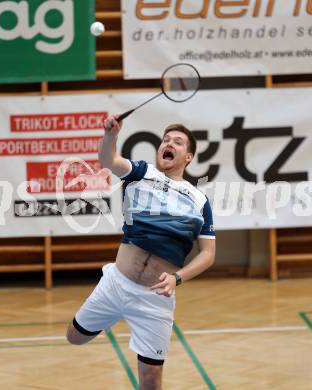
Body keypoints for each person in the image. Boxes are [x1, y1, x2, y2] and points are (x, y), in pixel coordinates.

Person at [66, 114, 216, 390]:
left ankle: (137, 325)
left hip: (155, 298)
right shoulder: (142, 172)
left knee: (150, 382)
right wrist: (111, 135)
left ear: (188, 157)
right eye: (166, 139)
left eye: (178, 142)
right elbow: (108, 160)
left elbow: (208, 254)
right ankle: (113, 314)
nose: (169, 143)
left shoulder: (199, 200)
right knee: (74, 337)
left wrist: (177, 278)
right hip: (115, 284)